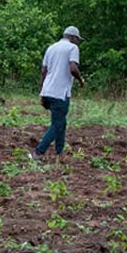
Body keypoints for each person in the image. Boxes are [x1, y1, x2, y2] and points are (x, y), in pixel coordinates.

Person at [32, 26, 85, 158]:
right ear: (72, 37)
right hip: (60, 93)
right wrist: (80, 80)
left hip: (48, 91)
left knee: (61, 122)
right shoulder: (72, 48)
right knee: (57, 124)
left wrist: (42, 92)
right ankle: (38, 152)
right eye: (77, 39)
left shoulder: (51, 48)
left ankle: (59, 152)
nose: (77, 42)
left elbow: (44, 71)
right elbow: (73, 68)